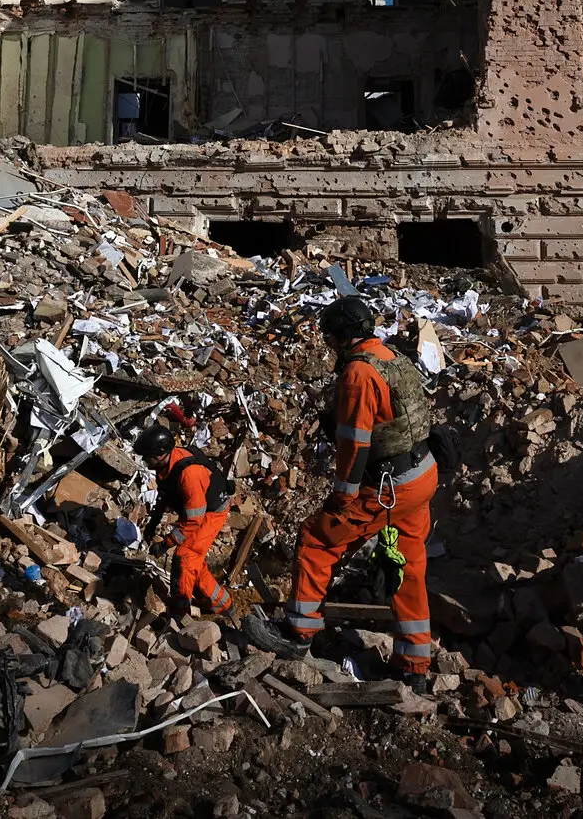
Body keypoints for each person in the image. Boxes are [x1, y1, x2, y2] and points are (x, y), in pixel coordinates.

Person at [245, 295, 438, 690]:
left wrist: (342, 498)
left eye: (331, 338)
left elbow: (355, 444)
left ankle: (297, 633)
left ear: (343, 336)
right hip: (421, 475)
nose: (330, 345)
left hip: (390, 485)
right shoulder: (392, 357)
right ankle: (414, 666)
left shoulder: (358, 374)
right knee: (409, 565)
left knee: (318, 538)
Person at [135, 423, 234, 616]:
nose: (145, 461)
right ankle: (222, 604)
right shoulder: (168, 463)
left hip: (211, 513)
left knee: (185, 557)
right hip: (198, 510)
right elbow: (166, 493)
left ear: (160, 454)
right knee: (194, 561)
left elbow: (194, 520)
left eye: (147, 457)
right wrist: (153, 523)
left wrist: (167, 543)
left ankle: (180, 612)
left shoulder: (189, 474)